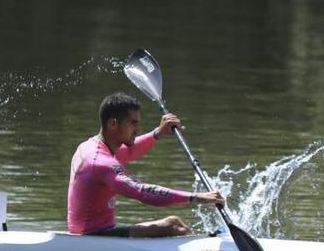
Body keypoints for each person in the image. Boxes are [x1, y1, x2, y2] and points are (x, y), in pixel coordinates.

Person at [67, 92, 224, 237]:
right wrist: (195, 197)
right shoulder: (100, 162)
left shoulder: (91, 147)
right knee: (173, 226)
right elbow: (142, 192)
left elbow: (129, 152)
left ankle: (202, 244)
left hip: (93, 232)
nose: (138, 129)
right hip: (92, 236)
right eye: (133, 123)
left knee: (175, 223)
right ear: (113, 124)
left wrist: (158, 133)